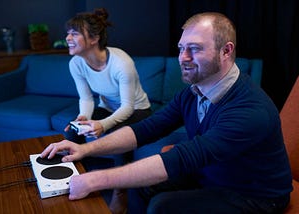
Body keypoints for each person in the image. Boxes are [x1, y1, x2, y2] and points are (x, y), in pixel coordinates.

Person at [41, 12, 292, 213]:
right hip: (213, 172)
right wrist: (86, 149)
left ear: (226, 51)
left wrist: (94, 180)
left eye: (194, 48)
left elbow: (183, 158)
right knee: (140, 187)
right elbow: (147, 128)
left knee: (162, 206)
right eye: (181, 48)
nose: (183, 57)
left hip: (255, 195)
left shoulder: (249, 109)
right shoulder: (195, 91)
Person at [63, 8, 152, 213]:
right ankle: (74, 180)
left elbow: (128, 107)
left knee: (117, 135)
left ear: (93, 38)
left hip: (137, 110)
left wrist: (103, 125)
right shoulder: (76, 63)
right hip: (108, 108)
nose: (68, 38)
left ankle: (120, 192)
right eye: (68, 32)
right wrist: (83, 118)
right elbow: (86, 98)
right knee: (71, 130)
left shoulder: (122, 63)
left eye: (75, 33)